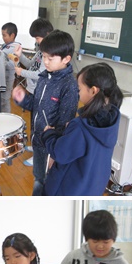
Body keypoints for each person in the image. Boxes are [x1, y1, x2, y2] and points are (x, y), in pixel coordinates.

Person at [12, 30, 78, 196]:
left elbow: (66, 122)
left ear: (66, 59)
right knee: (39, 178)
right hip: (38, 140)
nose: (45, 62)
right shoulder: (44, 76)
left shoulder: (69, 85)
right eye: (44, 57)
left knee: (49, 184)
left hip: (52, 147)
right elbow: (37, 105)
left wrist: (55, 152)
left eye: (50, 58)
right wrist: (23, 99)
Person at [42, 63, 124, 196]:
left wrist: (48, 134)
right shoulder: (112, 117)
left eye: (79, 89)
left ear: (93, 90)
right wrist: (72, 132)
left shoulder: (80, 126)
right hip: (95, 185)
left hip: (69, 189)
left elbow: (60, 153)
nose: (77, 92)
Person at [10, 18, 54, 166]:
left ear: (47, 34)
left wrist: (21, 72)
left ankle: (39, 156)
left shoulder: (50, 53)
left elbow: (41, 74)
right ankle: (35, 147)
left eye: (37, 38)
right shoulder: (40, 51)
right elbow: (30, 65)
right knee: (34, 123)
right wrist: (20, 55)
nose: (36, 41)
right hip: (33, 91)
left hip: (42, 93)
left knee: (41, 125)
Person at [0, 22, 20, 113]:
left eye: (4, 35)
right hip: (3, 76)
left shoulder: (15, 48)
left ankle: (7, 117)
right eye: (2, 35)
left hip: (8, 77)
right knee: (2, 99)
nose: (3, 37)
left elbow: (13, 64)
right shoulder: (5, 46)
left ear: (12, 35)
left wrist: (2, 61)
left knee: (5, 99)